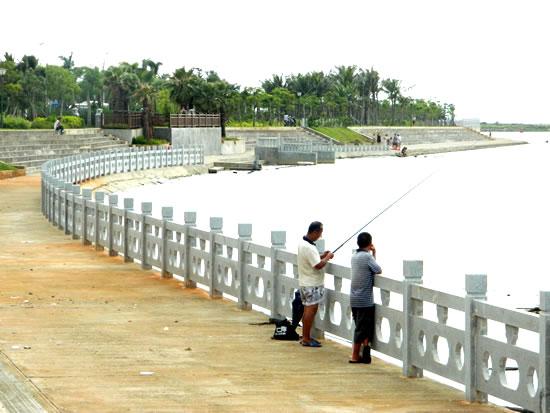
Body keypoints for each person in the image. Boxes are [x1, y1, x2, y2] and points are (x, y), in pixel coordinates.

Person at [297, 221, 334, 347]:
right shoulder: (310, 247)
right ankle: (306, 338)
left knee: (307, 311)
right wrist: (328, 257)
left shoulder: (303, 244)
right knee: (310, 311)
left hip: (304, 283)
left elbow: (313, 258)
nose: (320, 236)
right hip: (312, 284)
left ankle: (305, 337)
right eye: (320, 233)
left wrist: (322, 255)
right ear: (314, 232)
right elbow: (318, 265)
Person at [349, 232, 382, 364]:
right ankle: (355, 356)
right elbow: (378, 270)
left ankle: (366, 353)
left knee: (362, 327)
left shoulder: (354, 256)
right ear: (370, 243)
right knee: (361, 329)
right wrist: (374, 253)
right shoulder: (367, 257)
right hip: (365, 300)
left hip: (354, 298)